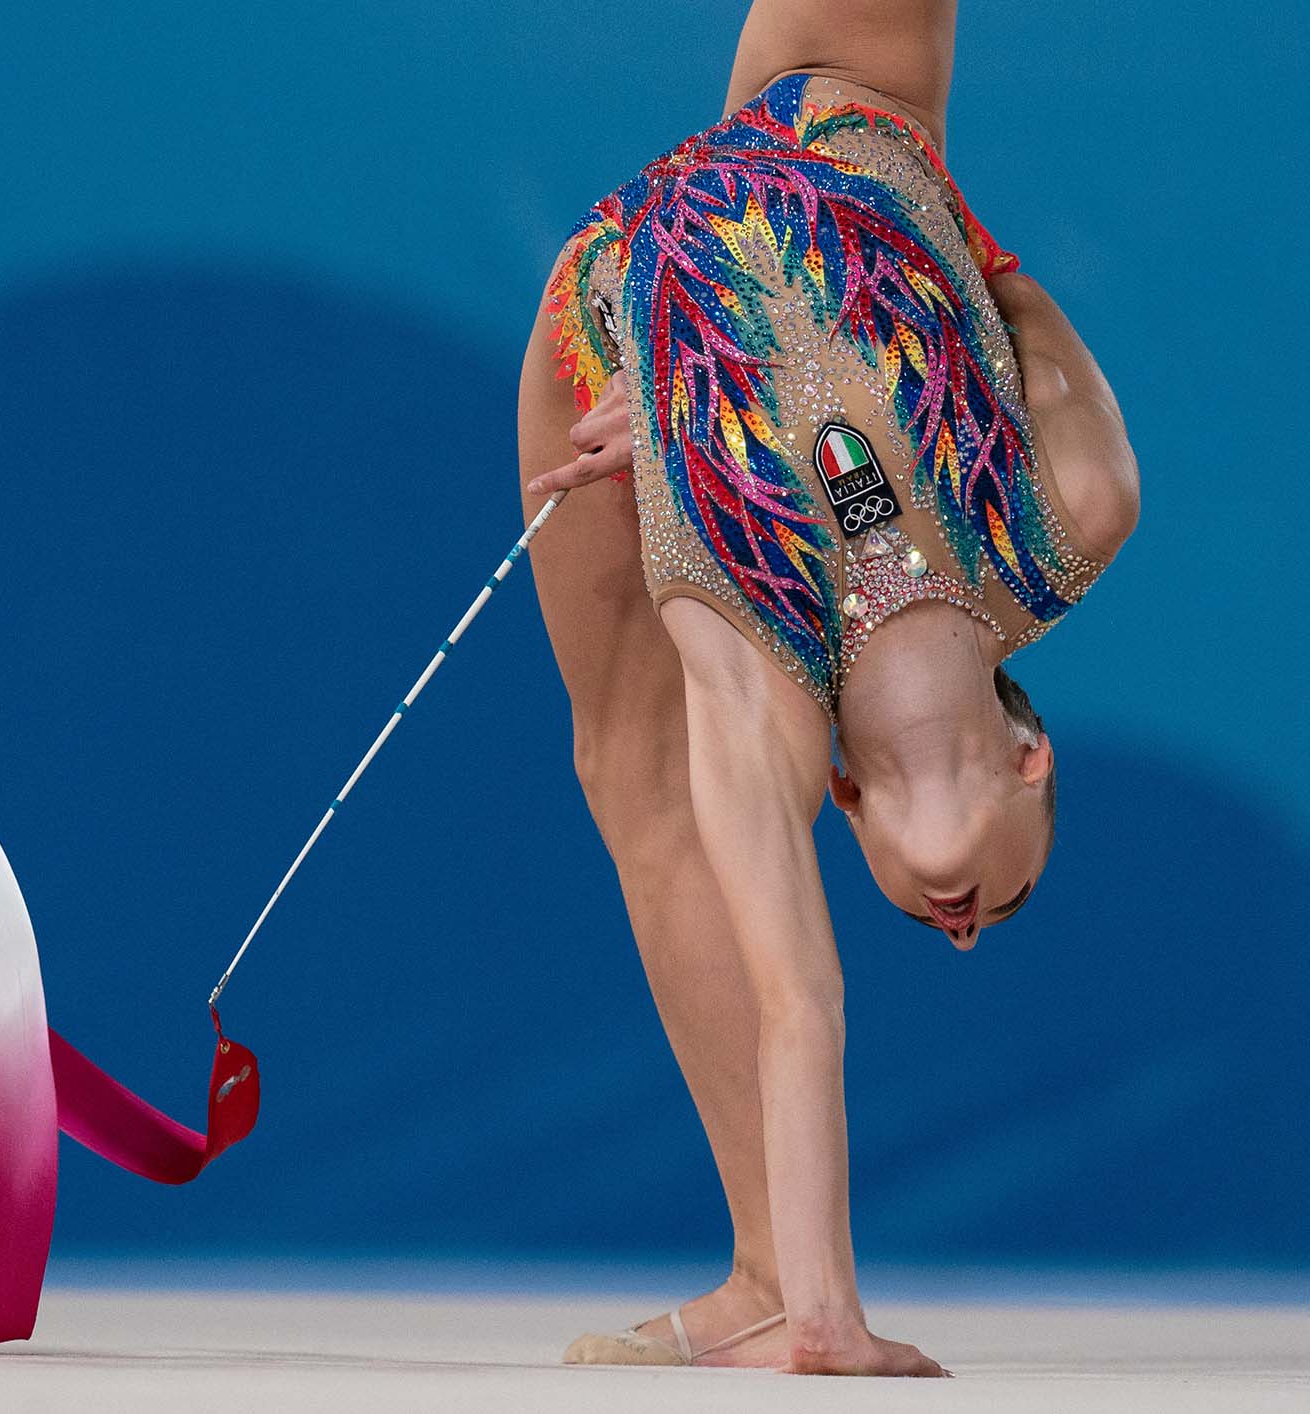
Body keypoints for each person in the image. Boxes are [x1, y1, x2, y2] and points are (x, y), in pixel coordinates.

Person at [515, 0, 1139, 1377]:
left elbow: (804, 997)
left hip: (620, 306)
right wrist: (937, 277)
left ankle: (767, 1274)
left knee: (636, 774)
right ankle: (774, 1280)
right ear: (1034, 762)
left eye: (966, 924)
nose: (970, 933)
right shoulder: (1064, 520)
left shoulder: (763, 692)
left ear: (840, 795)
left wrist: (679, 372)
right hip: (844, 114)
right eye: (1019, 894)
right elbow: (1021, 306)